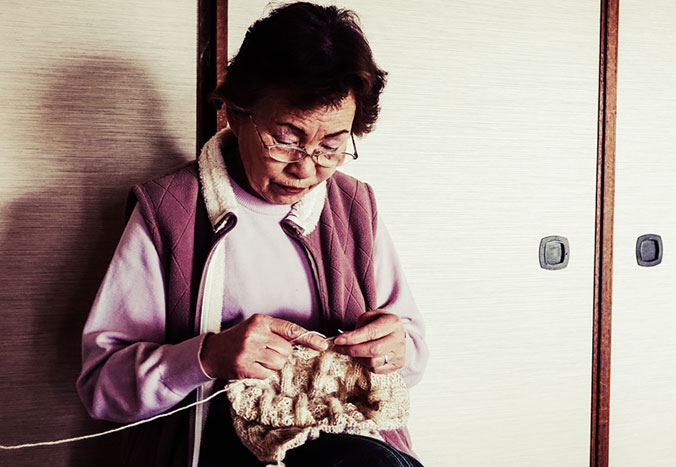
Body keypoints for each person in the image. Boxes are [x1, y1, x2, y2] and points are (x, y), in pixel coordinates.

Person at [77, 2, 427, 466]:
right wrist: (207, 356)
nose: (305, 168)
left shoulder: (354, 206)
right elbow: (102, 387)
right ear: (236, 113)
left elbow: (411, 356)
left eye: (331, 146)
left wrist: (394, 348)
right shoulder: (168, 211)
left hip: (350, 440)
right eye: (286, 138)